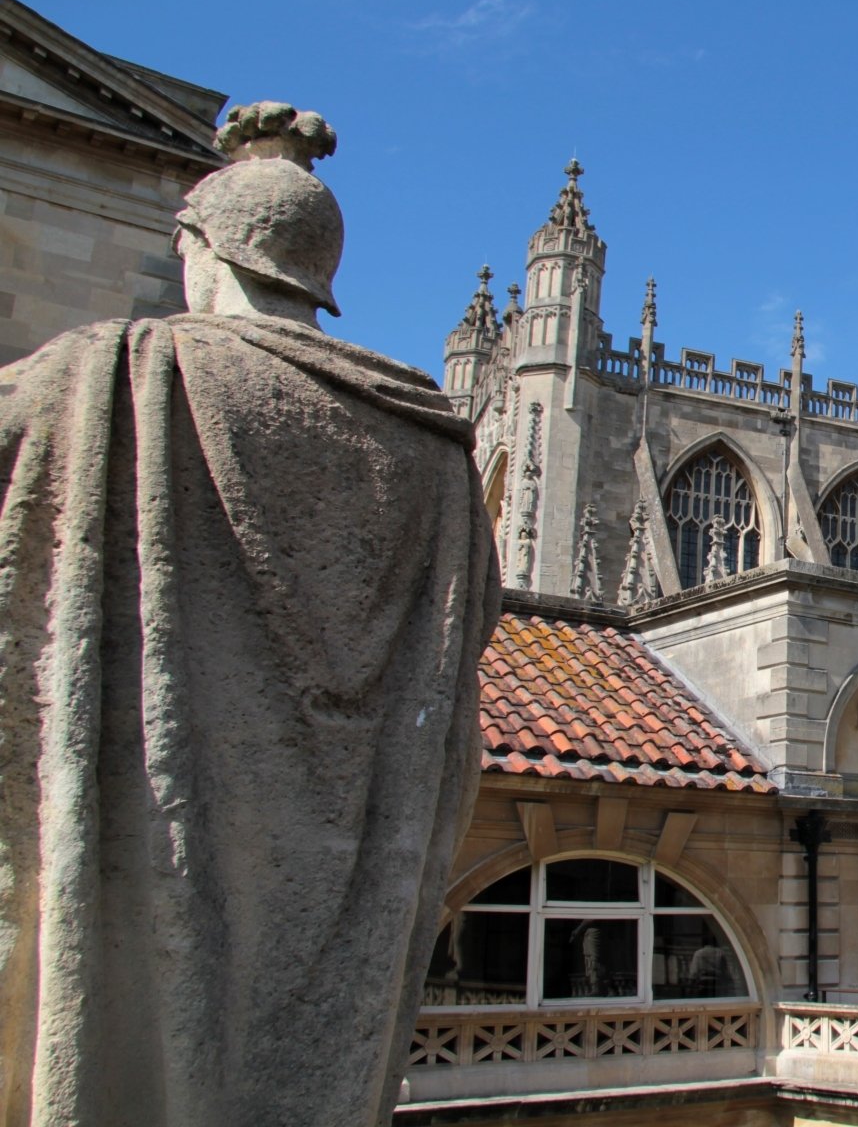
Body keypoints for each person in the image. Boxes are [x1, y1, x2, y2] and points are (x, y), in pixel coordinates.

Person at [0, 102, 499, 1125]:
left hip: (150, 818)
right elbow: (476, 623)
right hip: (349, 864)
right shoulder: (432, 443)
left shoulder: (111, 369)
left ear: (202, 248)